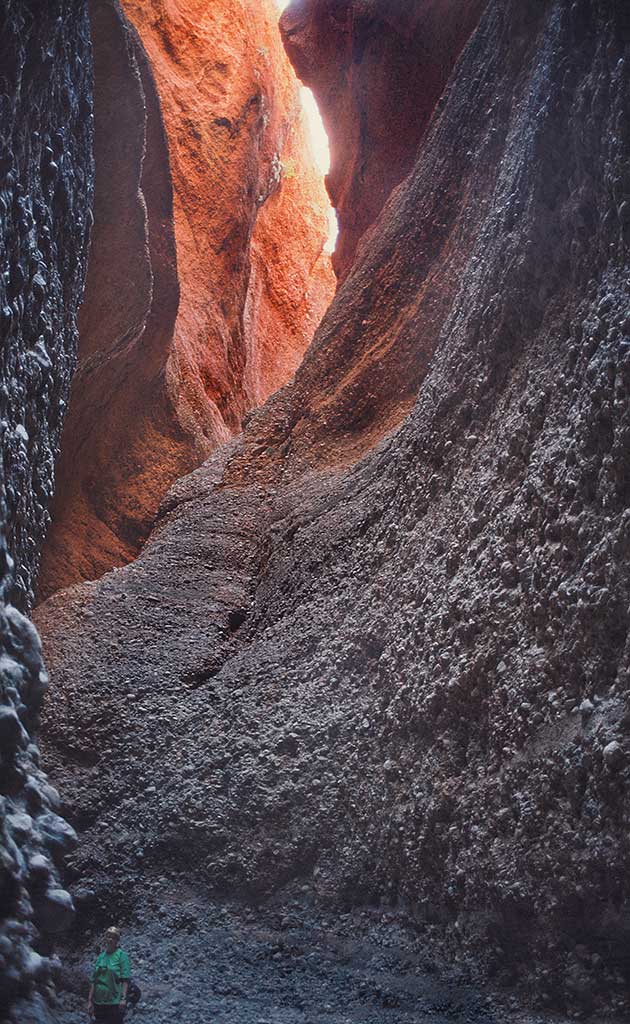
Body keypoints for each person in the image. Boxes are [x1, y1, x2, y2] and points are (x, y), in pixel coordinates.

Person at [87, 926, 131, 1021]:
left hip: (114, 1002)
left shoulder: (122, 956)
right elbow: (94, 980)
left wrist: (123, 999)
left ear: (117, 940)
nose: (110, 939)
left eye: (113, 937)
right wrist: (90, 1000)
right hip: (98, 1002)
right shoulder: (101, 957)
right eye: (108, 936)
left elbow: (125, 980)